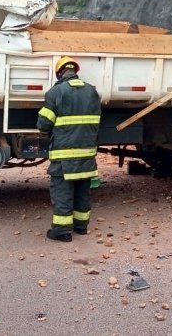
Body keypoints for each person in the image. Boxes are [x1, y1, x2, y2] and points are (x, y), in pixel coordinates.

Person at [37, 56, 101, 242]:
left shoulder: (55, 93)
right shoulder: (92, 92)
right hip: (87, 154)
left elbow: (43, 125)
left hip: (64, 157)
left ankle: (62, 232)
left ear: (59, 73)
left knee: (63, 193)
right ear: (75, 71)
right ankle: (81, 226)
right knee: (82, 191)